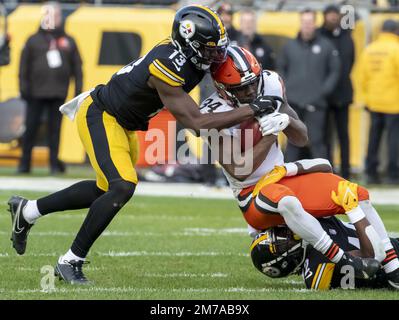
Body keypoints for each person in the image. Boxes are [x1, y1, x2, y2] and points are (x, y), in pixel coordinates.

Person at [8, 5, 275, 285]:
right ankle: (70, 260)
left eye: (218, 48)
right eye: (209, 49)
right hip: (101, 114)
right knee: (122, 185)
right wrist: (252, 109)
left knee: (105, 188)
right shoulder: (167, 66)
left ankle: (27, 211)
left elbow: (232, 67)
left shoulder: (191, 58)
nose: (215, 55)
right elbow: (196, 123)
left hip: (124, 123)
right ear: (188, 43)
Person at [200, 46, 387, 281]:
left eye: (253, 83)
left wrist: (286, 120)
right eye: (242, 88)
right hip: (252, 192)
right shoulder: (211, 113)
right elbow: (240, 170)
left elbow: (301, 137)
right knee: (286, 203)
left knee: (355, 193)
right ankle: (344, 260)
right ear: (222, 89)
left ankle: (392, 266)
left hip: (283, 176)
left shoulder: (270, 83)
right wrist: (270, 135)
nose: (250, 91)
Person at [18, 2, 83, 174]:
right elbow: (23, 67)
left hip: (58, 92)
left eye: (55, 15)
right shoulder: (33, 40)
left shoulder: (69, 41)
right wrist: (24, 89)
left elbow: (77, 67)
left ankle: (54, 164)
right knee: (30, 128)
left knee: (55, 130)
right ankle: (25, 164)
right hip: (35, 94)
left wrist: (78, 92)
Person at [250, 216, 399, 290]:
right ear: (286, 261)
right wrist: (355, 210)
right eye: (282, 242)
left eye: (280, 231)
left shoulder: (308, 224)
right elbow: (372, 255)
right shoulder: (316, 269)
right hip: (392, 264)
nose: (287, 232)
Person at [278, 9, 340, 162]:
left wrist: (323, 91)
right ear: (300, 23)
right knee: (292, 142)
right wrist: (287, 91)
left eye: (310, 22)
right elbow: (281, 70)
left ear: (315, 24)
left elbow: (335, 71)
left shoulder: (326, 46)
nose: (307, 25)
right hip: (293, 103)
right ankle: (288, 178)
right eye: (304, 22)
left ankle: (323, 178)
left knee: (317, 142)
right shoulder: (289, 46)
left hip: (316, 103)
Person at [359, 19, 399, 185]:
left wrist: (367, 99)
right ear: (396, 31)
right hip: (394, 103)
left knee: (373, 138)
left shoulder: (369, 50)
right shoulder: (396, 49)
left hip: (373, 103)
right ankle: (392, 174)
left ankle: (371, 172)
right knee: (393, 139)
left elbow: (362, 78)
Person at [318, 4, 355, 179]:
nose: (332, 17)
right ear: (324, 16)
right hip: (323, 96)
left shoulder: (347, 37)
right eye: (329, 14)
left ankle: (346, 172)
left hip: (343, 94)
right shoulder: (318, 36)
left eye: (335, 15)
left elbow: (350, 62)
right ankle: (329, 171)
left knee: (343, 136)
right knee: (324, 136)